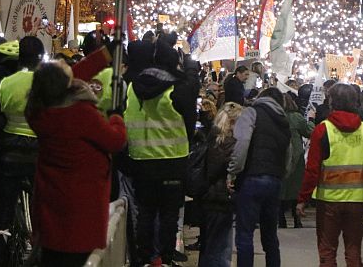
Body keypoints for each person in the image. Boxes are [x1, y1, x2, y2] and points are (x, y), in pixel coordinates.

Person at [25, 60, 127, 267]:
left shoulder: (38, 111)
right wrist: (116, 117)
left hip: (51, 202)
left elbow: (57, 79)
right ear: (66, 83)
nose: (65, 63)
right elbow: (115, 141)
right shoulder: (80, 113)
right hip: (81, 207)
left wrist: (104, 55)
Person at [124, 38, 200, 267]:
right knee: (169, 214)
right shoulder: (178, 89)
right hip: (172, 161)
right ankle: (166, 257)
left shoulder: (132, 87)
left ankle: (144, 256)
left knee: (145, 211)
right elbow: (189, 119)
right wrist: (189, 62)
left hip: (141, 160)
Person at [296, 83, 363, 267]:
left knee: (327, 251)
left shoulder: (323, 129)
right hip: (358, 199)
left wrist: (303, 198)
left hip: (329, 201)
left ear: (332, 101)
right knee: (354, 250)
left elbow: (312, 169)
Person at [0, 36, 45, 265]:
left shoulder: (4, 84)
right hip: (40, 155)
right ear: (41, 58)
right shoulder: (47, 83)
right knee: (42, 210)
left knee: (2, 214)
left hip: (8, 154)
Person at [229, 86, 291, 267]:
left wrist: (233, 171)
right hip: (275, 180)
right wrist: (280, 175)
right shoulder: (284, 121)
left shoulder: (251, 113)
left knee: (245, 234)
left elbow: (242, 143)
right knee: (270, 235)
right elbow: (289, 155)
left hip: (251, 178)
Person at [198, 101, 244, 267]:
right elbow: (214, 170)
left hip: (212, 198)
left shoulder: (213, 139)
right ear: (232, 122)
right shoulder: (226, 143)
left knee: (211, 246)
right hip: (218, 199)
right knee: (219, 249)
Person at [280, 92, 313, 228]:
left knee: (281, 189)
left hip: (280, 155)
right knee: (295, 188)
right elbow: (309, 131)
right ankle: (296, 218)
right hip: (296, 155)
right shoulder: (296, 117)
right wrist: (311, 120)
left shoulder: (275, 117)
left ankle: (280, 218)